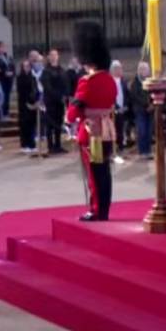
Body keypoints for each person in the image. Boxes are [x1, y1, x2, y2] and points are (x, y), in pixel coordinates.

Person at [66, 21, 118, 221]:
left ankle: (96, 210)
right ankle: (104, 209)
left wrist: (70, 116)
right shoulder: (110, 80)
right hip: (107, 129)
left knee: (94, 174)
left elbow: (74, 111)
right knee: (104, 171)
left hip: (90, 131)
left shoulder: (87, 81)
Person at [18, 53, 45, 154]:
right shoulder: (20, 78)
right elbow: (23, 92)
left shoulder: (33, 78)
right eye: (25, 66)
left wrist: (36, 101)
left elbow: (36, 90)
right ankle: (24, 144)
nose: (27, 68)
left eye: (28, 66)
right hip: (24, 105)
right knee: (25, 125)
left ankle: (32, 144)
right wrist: (29, 103)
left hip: (33, 104)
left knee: (32, 125)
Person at [43, 48, 68, 155]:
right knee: (50, 125)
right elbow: (48, 87)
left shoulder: (61, 70)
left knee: (58, 123)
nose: (53, 57)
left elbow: (66, 83)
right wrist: (58, 96)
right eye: (51, 55)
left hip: (60, 102)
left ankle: (58, 145)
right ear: (48, 57)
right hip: (50, 101)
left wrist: (65, 95)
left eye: (55, 55)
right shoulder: (46, 71)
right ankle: (50, 146)